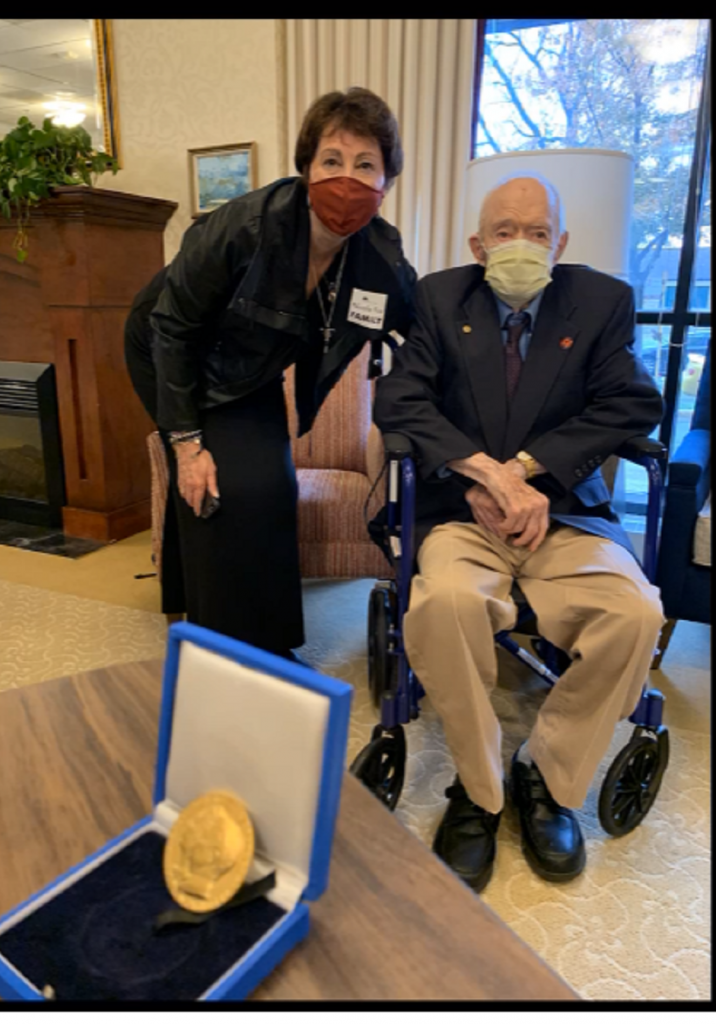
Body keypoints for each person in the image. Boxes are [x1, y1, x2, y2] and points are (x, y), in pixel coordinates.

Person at [373, 173, 665, 893]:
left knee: (635, 614)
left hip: (562, 512)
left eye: (538, 233)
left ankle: (546, 774)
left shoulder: (600, 302)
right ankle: (477, 789)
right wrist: (485, 476)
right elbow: (398, 398)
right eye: (505, 231)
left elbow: (630, 405)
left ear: (560, 243)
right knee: (443, 605)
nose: (521, 245)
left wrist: (530, 473)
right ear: (477, 244)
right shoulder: (441, 298)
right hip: (462, 513)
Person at [125, 87, 416, 658]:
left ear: (387, 181)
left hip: (249, 371)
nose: (347, 179)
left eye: (366, 165)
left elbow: (421, 324)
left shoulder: (379, 259)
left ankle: (263, 638)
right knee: (215, 485)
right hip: (167, 347)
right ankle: (222, 649)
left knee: (272, 485)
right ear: (305, 167)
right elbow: (172, 328)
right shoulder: (244, 227)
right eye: (332, 160)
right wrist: (186, 444)